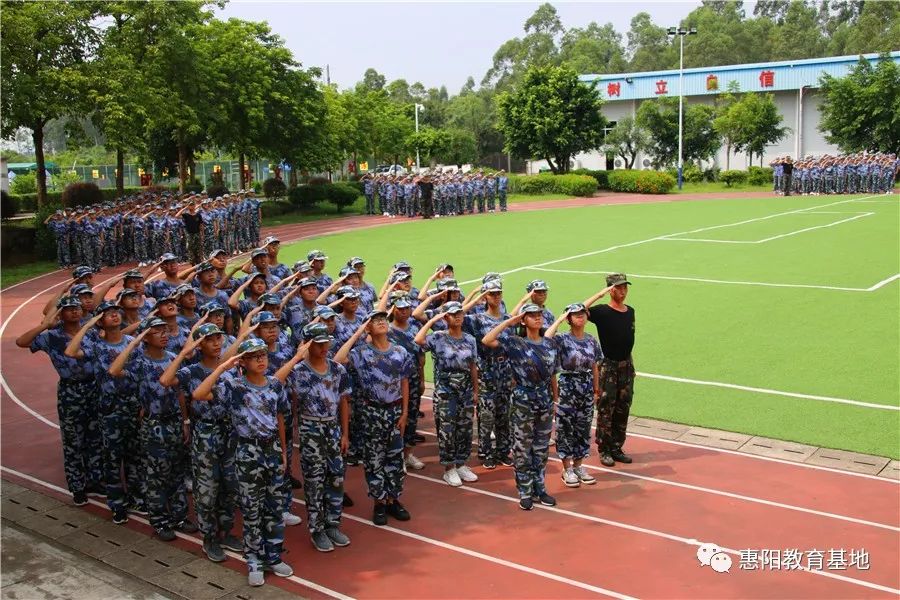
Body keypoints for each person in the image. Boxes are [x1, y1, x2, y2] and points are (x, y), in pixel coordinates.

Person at [193, 337, 294, 587]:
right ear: (243, 362)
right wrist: (222, 367)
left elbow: (279, 416)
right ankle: (254, 561)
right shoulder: (234, 386)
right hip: (248, 452)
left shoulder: (274, 385)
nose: (261, 359)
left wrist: (282, 450)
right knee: (252, 510)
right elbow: (199, 393)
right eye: (254, 356)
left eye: (263, 355)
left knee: (274, 507)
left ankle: (273, 556)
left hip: (271, 449)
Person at [108, 317, 197, 540]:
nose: (165, 334)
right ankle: (159, 520)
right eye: (158, 332)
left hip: (174, 421)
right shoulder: (139, 362)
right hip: (153, 423)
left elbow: (179, 393)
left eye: (165, 331)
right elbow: (114, 370)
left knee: (177, 470)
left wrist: (185, 421)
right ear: (146, 337)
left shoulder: (171, 359)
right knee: (156, 475)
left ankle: (179, 515)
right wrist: (135, 340)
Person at [159, 323, 242, 562]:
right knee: (207, 489)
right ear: (199, 344)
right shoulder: (190, 371)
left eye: (219, 339)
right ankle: (209, 538)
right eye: (210, 340)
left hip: (230, 431)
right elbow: (166, 380)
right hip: (206, 433)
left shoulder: (230, 369)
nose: (217, 343)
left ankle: (225, 531)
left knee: (229, 486)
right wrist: (186, 352)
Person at [15, 296, 103, 506]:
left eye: (77, 308)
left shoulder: (90, 332)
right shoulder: (51, 337)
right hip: (71, 390)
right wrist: (44, 325)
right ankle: (77, 485)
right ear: (60, 313)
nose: (74, 312)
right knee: (74, 440)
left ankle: (95, 480)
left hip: (94, 387)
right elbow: (22, 342)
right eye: (69, 309)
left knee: (95, 437)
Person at [334, 311, 413, 526]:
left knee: (395, 458)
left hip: (395, 411)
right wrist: (360, 331)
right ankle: (379, 502)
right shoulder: (361, 353)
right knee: (374, 460)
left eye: (383, 320)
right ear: (368, 328)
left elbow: (404, 381)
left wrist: (405, 412)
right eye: (375, 321)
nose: (381, 323)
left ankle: (393, 499)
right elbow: (338, 359)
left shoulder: (400, 351)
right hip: (371, 412)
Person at [481, 304, 558, 511]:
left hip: (544, 399)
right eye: (531, 316)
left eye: (539, 315)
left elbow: (552, 374)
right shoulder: (514, 343)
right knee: (523, 448)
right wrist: (509, 321)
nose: (537, 318)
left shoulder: (550, 344)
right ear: (523, 320)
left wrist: (555, 397)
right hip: (523, 398)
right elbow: (487, 340)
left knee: (541, 448)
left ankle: (539, 488)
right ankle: (525, 491)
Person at [285, 323, 353, 552]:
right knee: (314, 482)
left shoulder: (337, 370)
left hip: (332, 428)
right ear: (307, 345)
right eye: (318, 343)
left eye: (327, 343)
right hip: (311, 428)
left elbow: (343, 401)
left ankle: (333, 523)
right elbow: (287, 397)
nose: (325, 347)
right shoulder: (298, 372)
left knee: (336, 478)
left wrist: (345, 433)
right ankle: (317, 529)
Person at [415, 301, 479, 487]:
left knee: (465, 428)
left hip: (465, 390)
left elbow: (473, 366)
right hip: (446, 391)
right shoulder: (437, 337)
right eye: (453, 314)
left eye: (460, 313)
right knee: (447, 430)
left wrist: (476, 390)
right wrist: (433, 319)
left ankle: (461, 464)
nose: (458, 316)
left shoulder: (470, 339)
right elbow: (418, 340)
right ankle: (449, 468)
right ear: (445, 318)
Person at [545, 303, 601, 487]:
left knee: (583, 428)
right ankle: (567, 468)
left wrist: (595, 390)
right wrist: (560, 320)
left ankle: (579, 466)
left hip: (585, 387)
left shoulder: (591, 340)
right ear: (569, 318)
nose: (580, 317)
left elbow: (595, 365)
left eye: (583, 314)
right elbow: (546, 337)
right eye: (575, 315)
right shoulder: (562, 339)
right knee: (565, 428)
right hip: (568, 386)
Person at [583, 274, 635, 467]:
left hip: (626, 367)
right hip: (609, 367)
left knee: (623, 407)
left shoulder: (630, 312)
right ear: (610, 290)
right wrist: (599, 295)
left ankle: (617, 447)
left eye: (625, 288)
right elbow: (577, 311)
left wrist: (631, 366)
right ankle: (604, 449)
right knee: (606, 409)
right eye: (619, 288)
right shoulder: (602, 312)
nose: (623, 291)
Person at [464, 279, 513, 469]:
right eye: (492, 294)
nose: (496, 296)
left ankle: (503, 451)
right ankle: (485, 452)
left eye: (499, 293)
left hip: (505, 370)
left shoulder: (507, 319)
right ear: (485, 297)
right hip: (486, 370)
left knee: (504, 414)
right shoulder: (477, 319)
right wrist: (476, 298)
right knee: (486, 415)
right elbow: (459, 313)